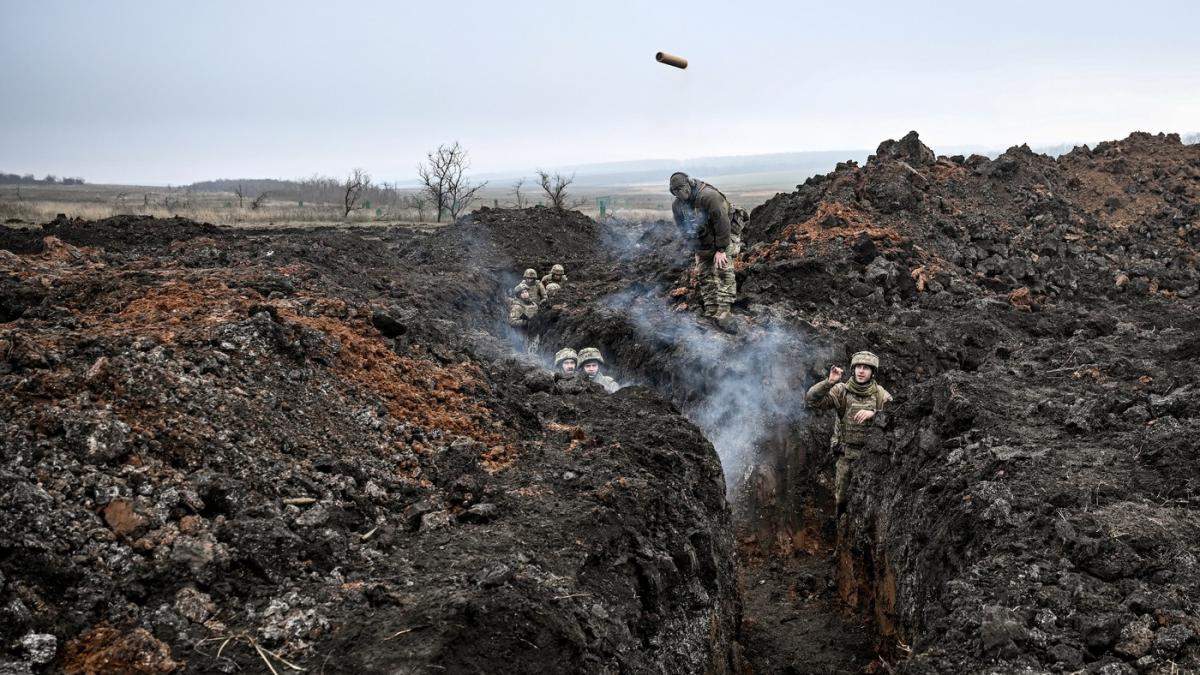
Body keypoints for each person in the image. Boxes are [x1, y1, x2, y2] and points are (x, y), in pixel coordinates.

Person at [805, 351, 893, 514]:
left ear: (873, 372)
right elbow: (812, 400)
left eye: (866, 368)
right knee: (841, 501)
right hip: (846, 456)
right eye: (858, 366)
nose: (861, 371)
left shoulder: (880, 394)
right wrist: (829, 382)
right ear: (853, 369)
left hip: (871, 459)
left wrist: (875, 413)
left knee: (869, 506)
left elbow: (896, 416)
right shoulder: (841, 390)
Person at [670, 172, 742, 334]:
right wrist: (696, 250)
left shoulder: (709, 196)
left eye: (682, 189)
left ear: (689, 184)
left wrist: (721, 249)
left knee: (722, 271)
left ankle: (724, 313)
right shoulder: (678, 205)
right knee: (704, 273)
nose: (680, 193)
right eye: (676, 191)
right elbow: (684, 230)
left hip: (725, 234)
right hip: (704, 239)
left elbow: (722, 223)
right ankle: (712, 311)